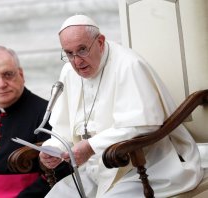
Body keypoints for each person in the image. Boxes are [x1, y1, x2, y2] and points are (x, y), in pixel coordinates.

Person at [39, 15, 203, 197]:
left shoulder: (129, 65)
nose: (77, 62)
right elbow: (62, 127)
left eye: (82, 50)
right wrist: (53, 149)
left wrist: (91, 146)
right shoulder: (69, 72)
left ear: (100, 42)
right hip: (94, 168)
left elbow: (144, 125)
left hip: (142, 164)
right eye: (69, 53)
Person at [0, 46, 70, 198]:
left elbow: (59, 171)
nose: (1, 84)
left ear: (21, 75)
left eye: (8, 74)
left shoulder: (47, 112)